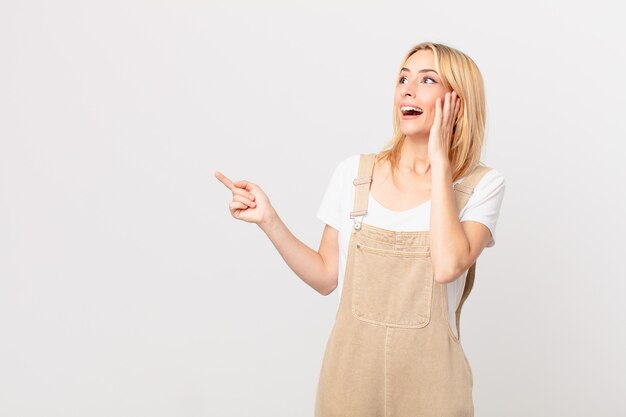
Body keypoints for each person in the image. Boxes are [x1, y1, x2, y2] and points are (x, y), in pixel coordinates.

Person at [215, 41, 505, 417]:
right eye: (403, 78)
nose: (407, 89)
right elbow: (324, 277)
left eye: (427, 79)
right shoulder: (354, 174)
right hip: (348, 383)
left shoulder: (480, 185)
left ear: (457, 101)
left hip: (434, 389)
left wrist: (440, 161)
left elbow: (448, 266)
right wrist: (269, 220)